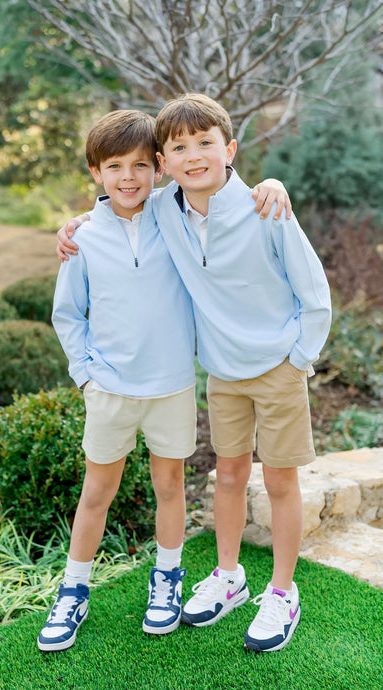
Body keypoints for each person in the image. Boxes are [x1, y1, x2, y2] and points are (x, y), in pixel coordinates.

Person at [57, 94, 331, 653]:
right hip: (222, 372)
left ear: (229, 150)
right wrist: (76, 225)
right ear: (166, 163)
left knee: (279, 481)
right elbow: (117, 204)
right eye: (179, 148)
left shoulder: (265, 207)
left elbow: (313, 289)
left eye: (206, 143)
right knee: (227, 476)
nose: (194, 156)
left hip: (278, 367)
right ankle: (229, 577)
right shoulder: (165, 209)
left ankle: (283, 593)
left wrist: (299, 358)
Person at [38, 109, 197, 651]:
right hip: (109, 388)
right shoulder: (83, 237)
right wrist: (86, 377)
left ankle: (167, 579)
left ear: (159, 167)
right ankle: (74, 590)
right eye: (114, 167)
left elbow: (218, 189)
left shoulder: (177, 213)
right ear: (95, 172)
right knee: (96, 492)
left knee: (170, 487)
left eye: (139, 165)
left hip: (172, 386)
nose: (128, 177)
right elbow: (68, 314)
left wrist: (270, 185)